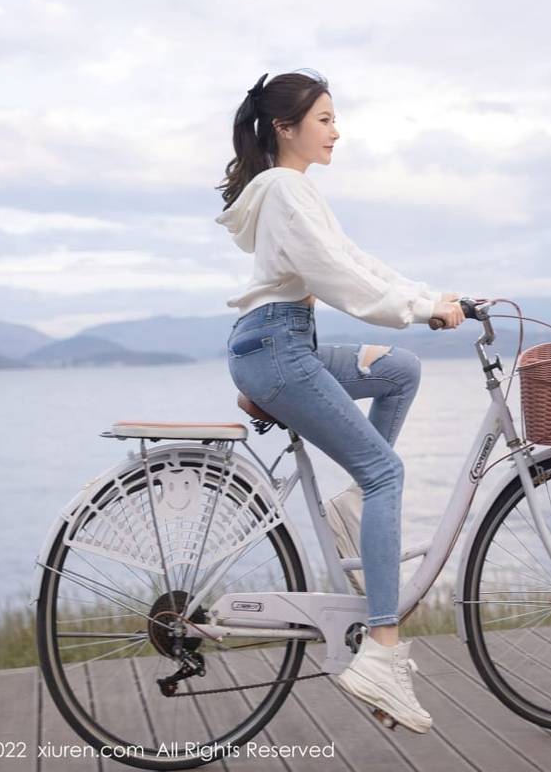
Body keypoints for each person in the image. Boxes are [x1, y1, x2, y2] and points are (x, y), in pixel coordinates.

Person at [215, 69, 465, 734]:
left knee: (400, 371)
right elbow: (341, 281)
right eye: (324, 118)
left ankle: (355, 513)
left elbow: (357, 261)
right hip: (277, 351)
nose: (336, 130)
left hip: (281, 344)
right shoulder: (284, 190)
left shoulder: (291, 191)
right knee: (388, 471)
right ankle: (382, 649)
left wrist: (434, 297)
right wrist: (418, 309)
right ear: (285, 128)